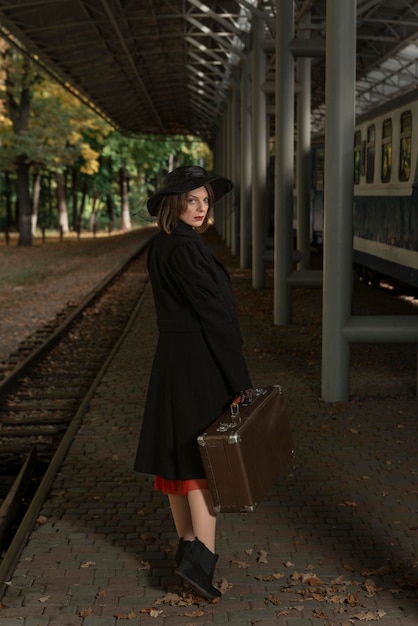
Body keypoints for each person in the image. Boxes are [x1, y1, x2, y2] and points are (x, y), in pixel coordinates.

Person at [134, 165, 252, 600]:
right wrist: (240, 380)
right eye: (193, 200)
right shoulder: (187, 249)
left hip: (172, 360)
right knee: (206, 464)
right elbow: (215, 318)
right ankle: (201, 563)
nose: (202, 208)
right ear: (174, 203)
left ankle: (187, 548)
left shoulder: (162, 245)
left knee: (180, 457)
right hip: (200, 363)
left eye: (206, 200)